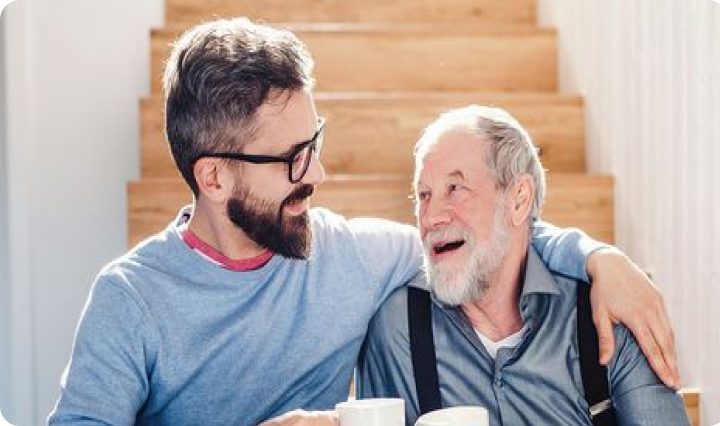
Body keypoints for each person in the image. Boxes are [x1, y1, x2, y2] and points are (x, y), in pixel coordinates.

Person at [48, 18, 677, 426]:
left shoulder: (352, 255)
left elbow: (486, 235)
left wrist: (600, 259)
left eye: (314, 141)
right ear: (213, 178)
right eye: (293, 159)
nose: (316, 174)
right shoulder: (129, 300)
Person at [357, 106, 690, 426]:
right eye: (423, 195)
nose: (431, 218)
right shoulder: (397, 329)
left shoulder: (607, 315)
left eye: (455, 189)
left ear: (518, 200)